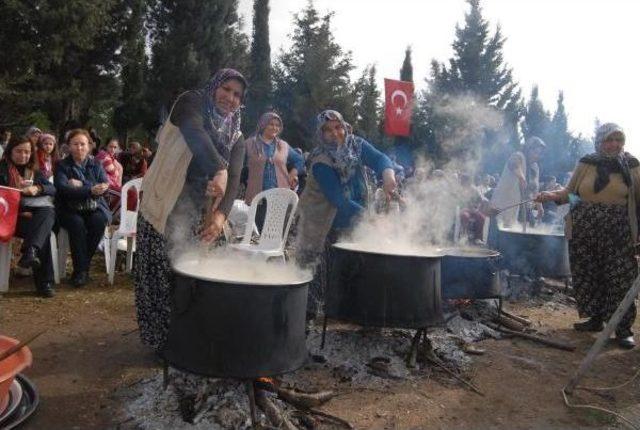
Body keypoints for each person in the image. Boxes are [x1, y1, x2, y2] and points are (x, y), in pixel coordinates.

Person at [135, 68, 248, 352]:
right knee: (162, 275)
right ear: (214, 86)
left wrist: (221, 215)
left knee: (213, 268)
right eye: (226, 89)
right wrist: (218, 168)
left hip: (201, 210)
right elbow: (195, 133)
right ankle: (163, 343)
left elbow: (234, 178)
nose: (230, 98)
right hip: (165, 202)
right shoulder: (191, 103)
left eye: (237, 95)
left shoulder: (237, 136)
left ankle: (200, 333)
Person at [536, 123, 640, 349]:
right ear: (600, 141)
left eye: (618, 140)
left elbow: (638, 202)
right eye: (609, 140)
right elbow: (571, 195)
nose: (614, 144)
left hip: (618, 233)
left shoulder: (632, 166)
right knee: (589, 274)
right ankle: (596, 319)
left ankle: (623, 329)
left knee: (619, 278)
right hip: (584, 229)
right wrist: (551, 195)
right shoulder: (587, 163)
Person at [294, 110, 397, 320]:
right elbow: (339, 200)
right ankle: (306, 323)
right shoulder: (320, 161)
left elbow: (380, 158)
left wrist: (388, 174)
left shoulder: (356, 145)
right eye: (328, 130)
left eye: (338, 127)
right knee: (315, 273)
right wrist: (372, 219)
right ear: (320, 134)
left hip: (352, 217)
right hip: (320, 221)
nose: (335, 133)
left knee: (349, 270)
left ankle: (342, 314)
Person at [0, 138, 57, 297]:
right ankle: (44, 282)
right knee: (41, 232)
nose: (23, 155)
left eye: (27, 151)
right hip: (6, 218)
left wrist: (37, 188)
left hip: (27, 219)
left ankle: (30, 250)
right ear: (10, 151)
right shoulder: (2, 169)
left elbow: (52, 189)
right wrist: (18, 209)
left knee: (47, 214)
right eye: (18, 151)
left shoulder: (33, 171)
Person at [54, 129, 111, 287]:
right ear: (69, 146)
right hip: (69, 208)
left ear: (89, 146)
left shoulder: (96, 164)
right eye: (75, 144)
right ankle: (81, 271)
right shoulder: (62, 165)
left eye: (83, 144)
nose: (79, 148)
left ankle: (81, 269)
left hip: (94, 207)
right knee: (76, 224)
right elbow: (63, 188)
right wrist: (91, 189)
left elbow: (105, 186)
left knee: (99, 221)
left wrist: (84, 186)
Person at [244, 112, 305, 229]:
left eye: (277, 125)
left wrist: (293, 173)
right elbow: (238, 163)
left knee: (278, 230)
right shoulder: (249, 144)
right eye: (271, 124)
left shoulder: (283, 146)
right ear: (263, 125)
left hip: (280, 195)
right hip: (259, 196)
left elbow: (300, 160)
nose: (274, 127)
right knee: (262, 230)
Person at [491, 136, 546, 227]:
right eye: (535, 152)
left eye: (540, 154)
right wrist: (521, 177)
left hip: (517, 207)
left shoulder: (535, 167)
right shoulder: (518, 156)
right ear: (528, 149)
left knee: (515, 230)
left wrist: (540, 206)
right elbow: (514, 164)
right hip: (503, 202)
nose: (537, 156)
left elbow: (535, 189)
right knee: (499, 230)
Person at [95, 138, 123, 212]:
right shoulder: (104, 155)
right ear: (106, 146)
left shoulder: (110, 157)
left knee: (127, 192)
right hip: (104, 185)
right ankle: (111, 213)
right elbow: (113, 171)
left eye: (115, 147)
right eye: (111, 147)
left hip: (109, 184)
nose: (113, 149)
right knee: (126, 193)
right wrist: (117, 168)